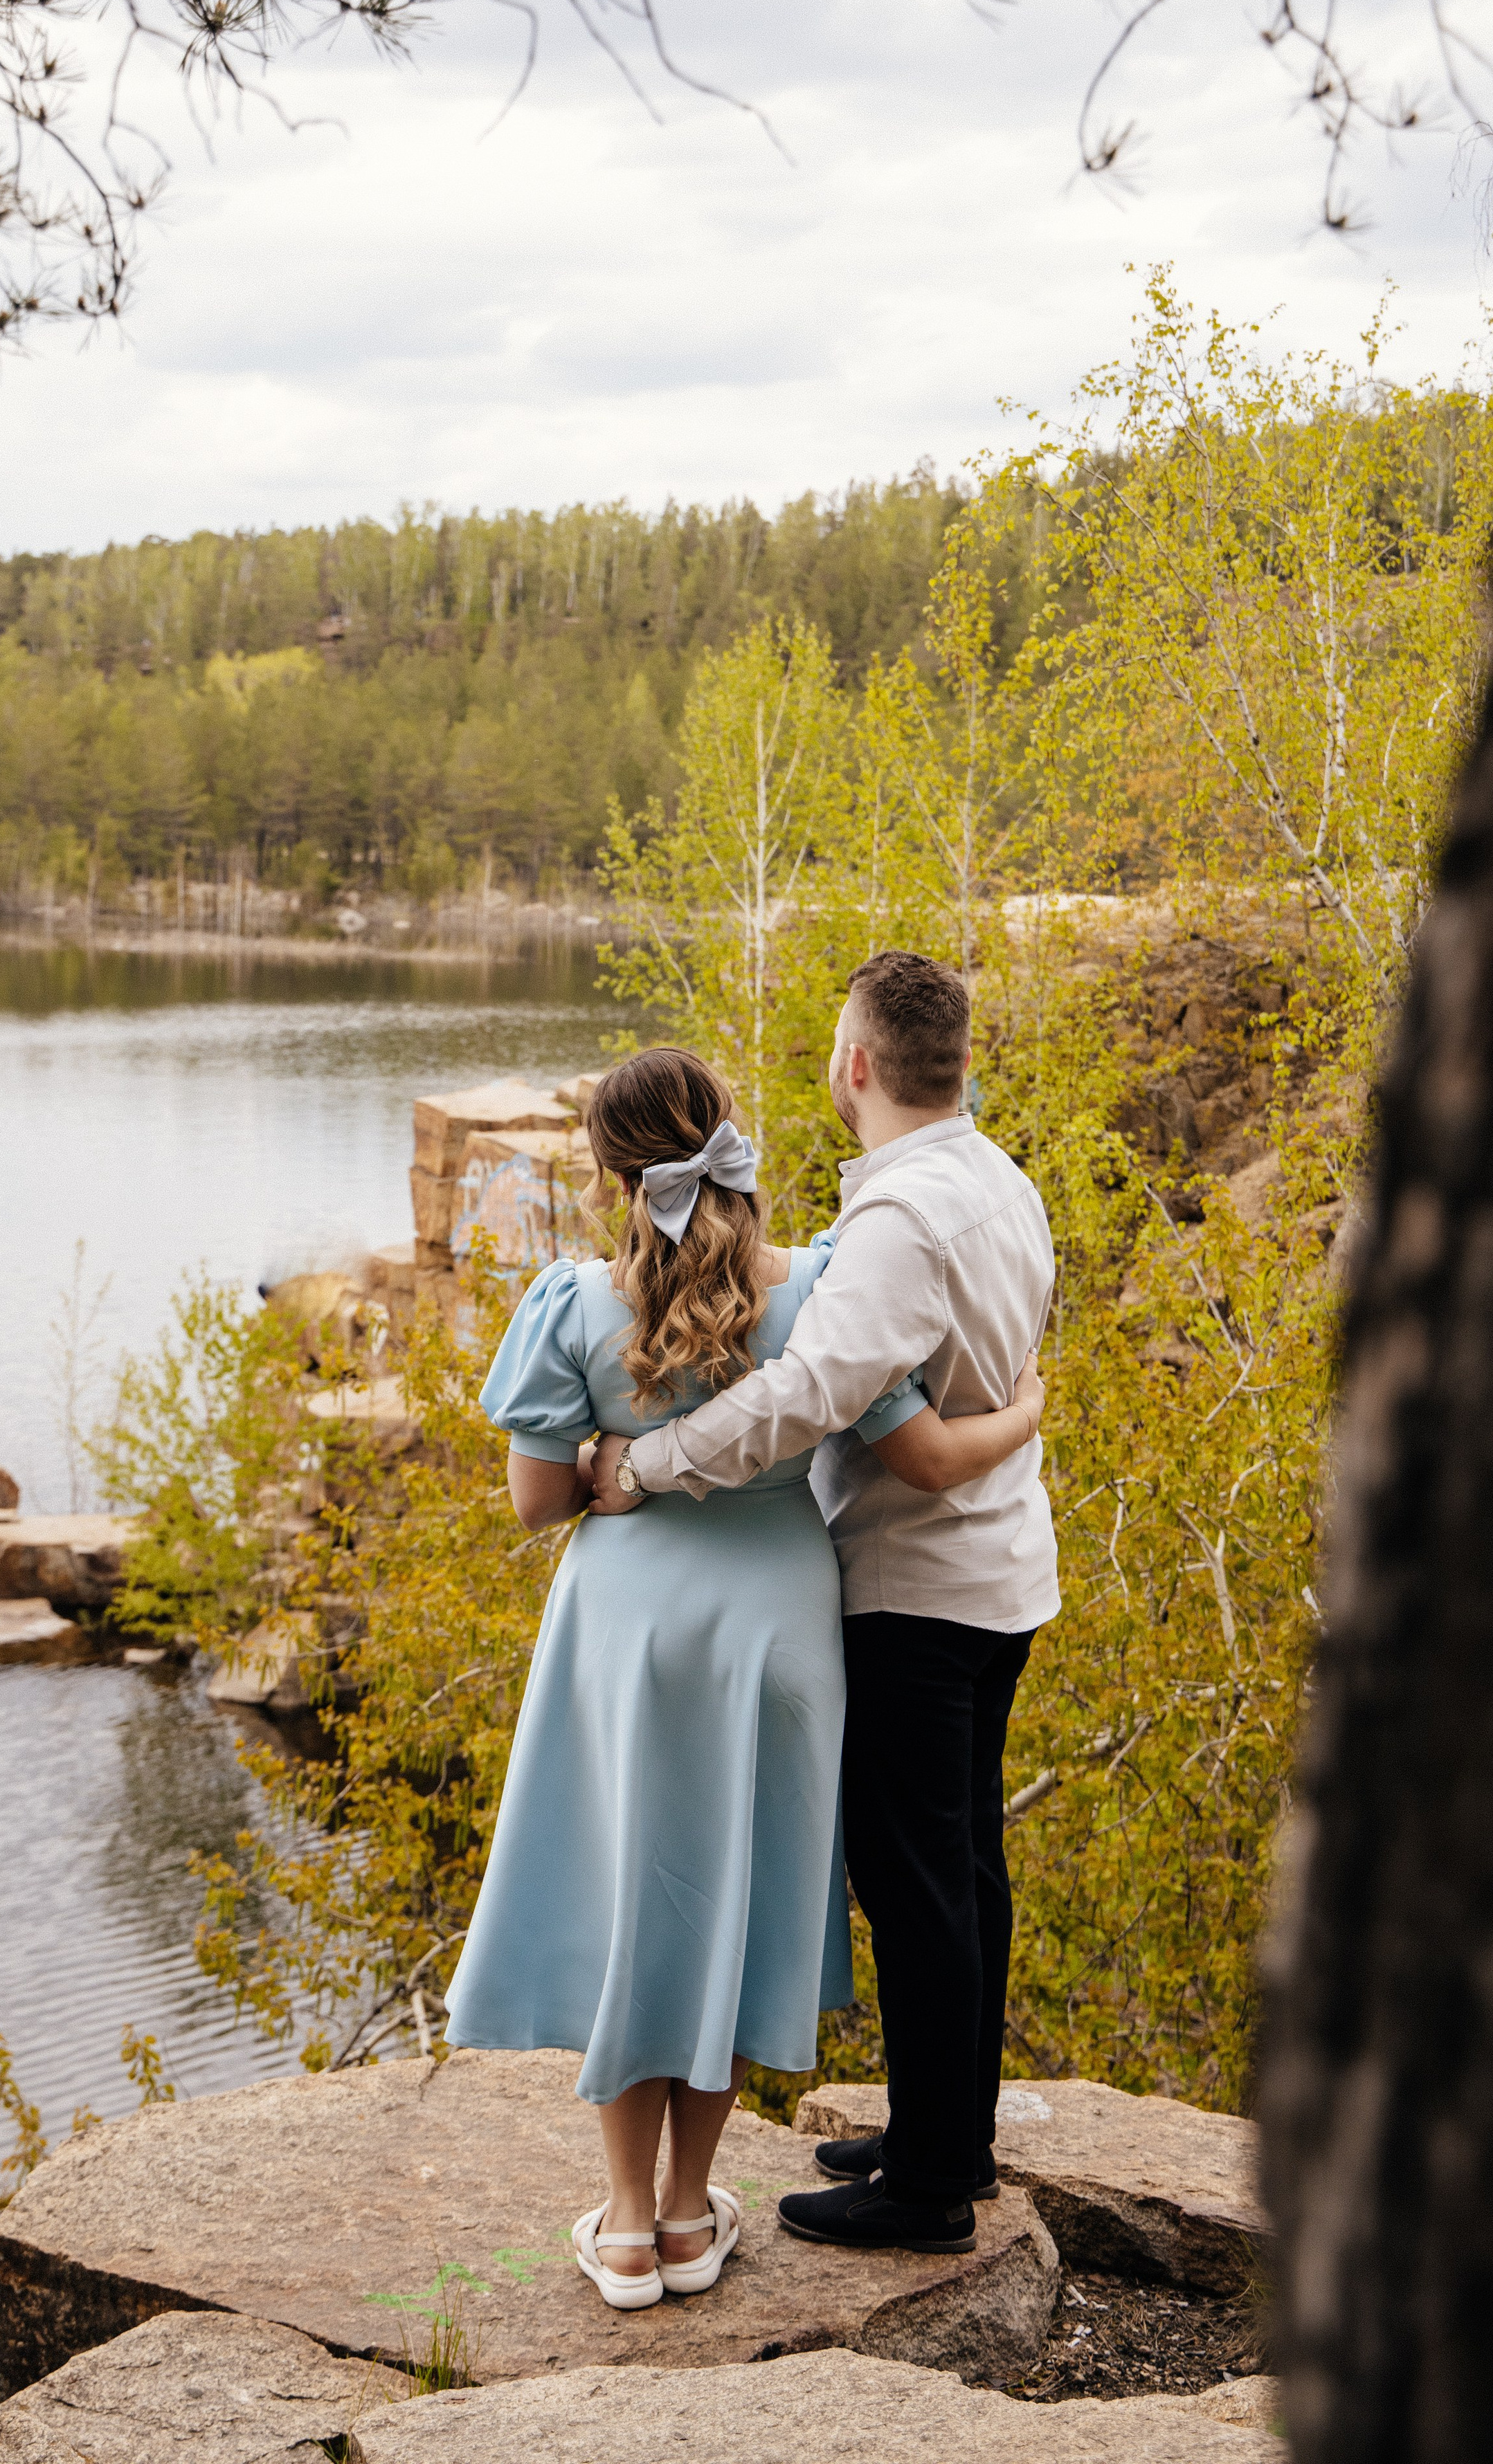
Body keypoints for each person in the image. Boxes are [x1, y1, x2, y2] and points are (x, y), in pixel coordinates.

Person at [444, 1043, 1044, 2310]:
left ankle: (621, 2226)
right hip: (779, 1625)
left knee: (632, 1902)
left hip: (628, 1627)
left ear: (612, 1170)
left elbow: (537, 1501)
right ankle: (683, 2212)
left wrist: (626, 1446)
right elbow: (920, 1445)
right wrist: (1030, 1411)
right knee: (725, 1902)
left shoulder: (571, 1303)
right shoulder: (820, 1288)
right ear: (731, 1141)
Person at [590, 953, 1058, 2257]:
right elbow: (977, 1374)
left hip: (920, 1591)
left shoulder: (903, 1221)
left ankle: (925, 2195)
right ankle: (943, 2134)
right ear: (955, 1064)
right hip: (1002, 1574)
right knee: (964, 1864)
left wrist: (653, 1464)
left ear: (855, 1064)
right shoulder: (999, 1183)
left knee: (917, 1885)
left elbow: (808, 1391)